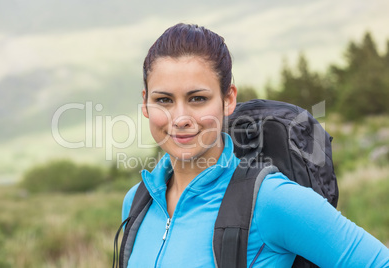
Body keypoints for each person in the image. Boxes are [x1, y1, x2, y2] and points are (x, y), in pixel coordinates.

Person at [121, 23, 389, 267]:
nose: (180, 118)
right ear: (146, 103)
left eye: (198, 98)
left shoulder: (272, 200)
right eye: (164, 100)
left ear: (228, 99)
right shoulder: (137, 201)